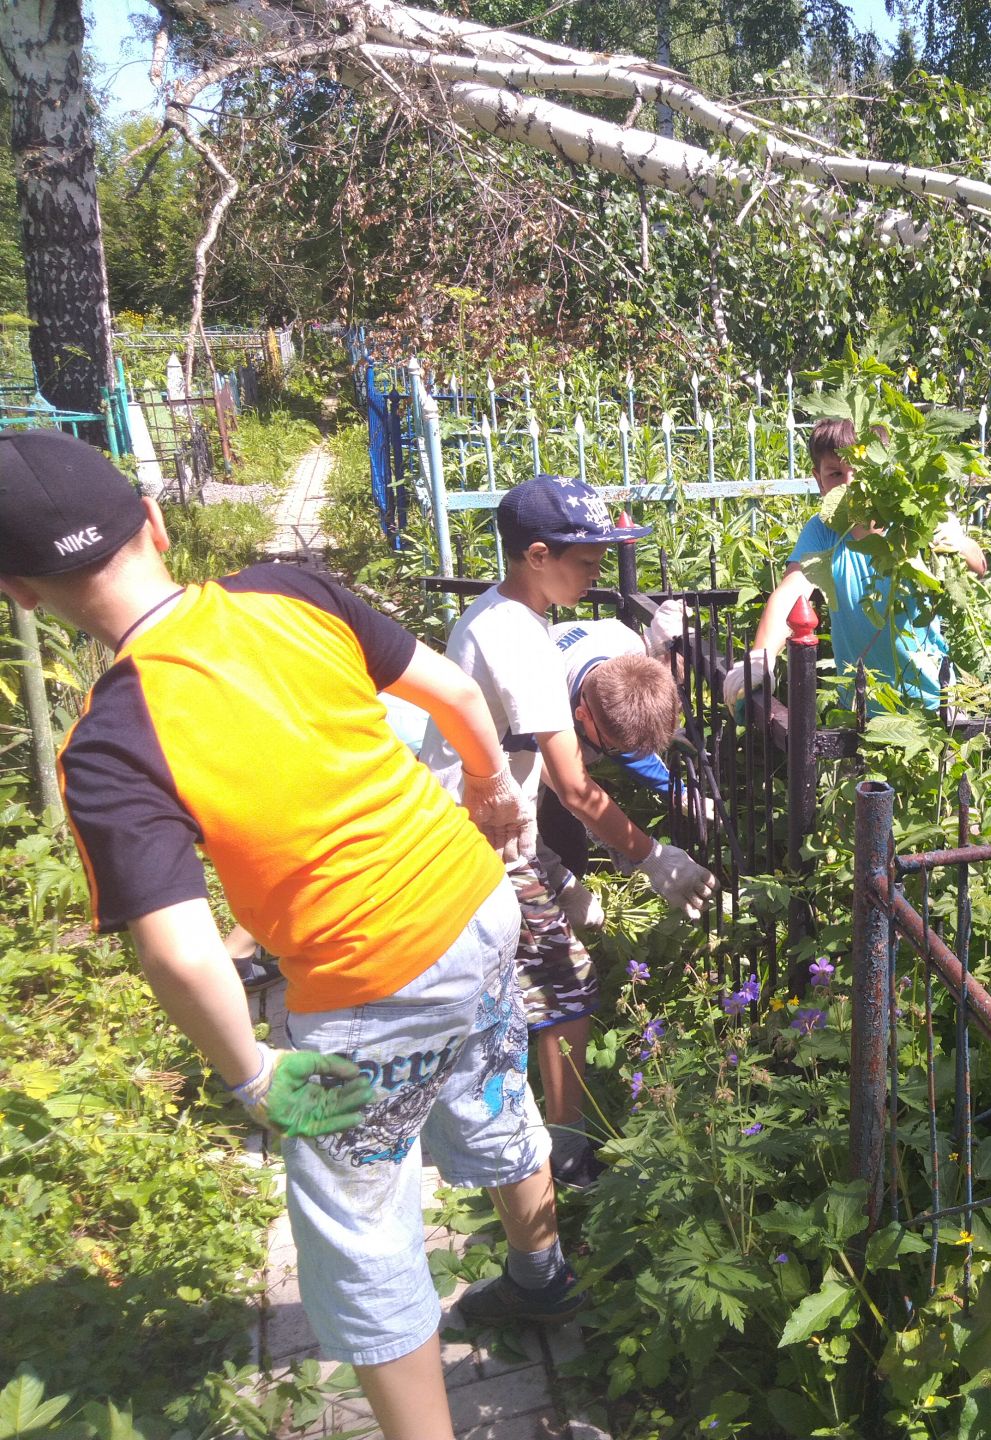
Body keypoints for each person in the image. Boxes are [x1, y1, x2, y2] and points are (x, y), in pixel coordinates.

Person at [0, 430, 574, 1440]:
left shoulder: (111, 741)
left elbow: (179, 949)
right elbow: (456, 691)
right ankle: (543, 1274)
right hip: (475, 907)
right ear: (158, 525)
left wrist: (256, 1077)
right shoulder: (288, 591)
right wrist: (489, 791)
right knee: (489, 1078)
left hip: (365, 993)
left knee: (360, 1230)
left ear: (22, 595)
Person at [416, 475, 716, 1190]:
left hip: (485, 833)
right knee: (567, 986)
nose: (597, 572)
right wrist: (652, 858)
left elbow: (526, 765)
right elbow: (576, 788)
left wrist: (551, 864)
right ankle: (566, 1149)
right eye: (586, 560)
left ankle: (508, 1111)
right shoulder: (519, 641)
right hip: (476, 846)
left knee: (517, 983)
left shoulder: (512, 618)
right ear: (539, 555)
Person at [724, 417, 986, 713]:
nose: (850, 484)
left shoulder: (914, 518)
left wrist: (958, 543)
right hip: (860, 707)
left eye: (861, 471)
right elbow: (790, 594)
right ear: (819, 481)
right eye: (835, 474)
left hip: (932, 701)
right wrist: (762, 658)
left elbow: (980, 564)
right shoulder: (823, 532)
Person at [540, 612, 688, 933]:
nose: (619, 756)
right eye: (611, 748)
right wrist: (560, 882)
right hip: (483, 777)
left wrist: (678, 791)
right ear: (582, 715)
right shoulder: (538, 701)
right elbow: (572, 793)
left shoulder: (627, 648)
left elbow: (626, 738)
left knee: (572, 847)